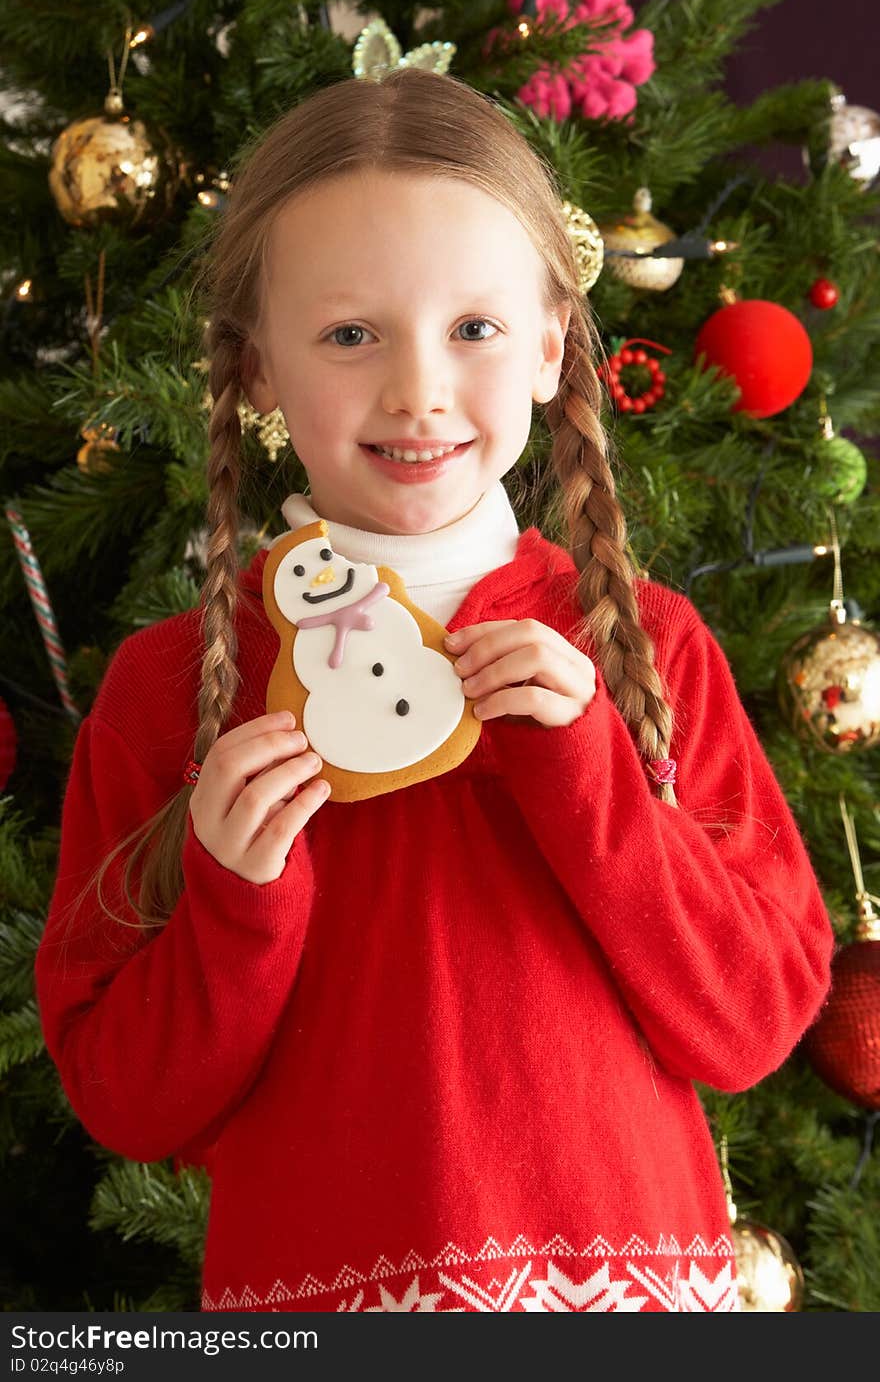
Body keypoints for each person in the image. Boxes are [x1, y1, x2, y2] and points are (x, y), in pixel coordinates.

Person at [35, 67, 833, 1314]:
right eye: (351, 333)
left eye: (472, 327)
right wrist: (234, 900)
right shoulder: (175, 688)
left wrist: (594, 786)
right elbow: (127, 1099)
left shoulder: (642, 645)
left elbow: (752, 1019)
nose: (416, 388)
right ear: (253, 372)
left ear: (548, 348)